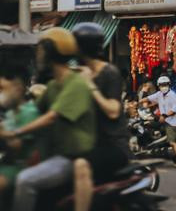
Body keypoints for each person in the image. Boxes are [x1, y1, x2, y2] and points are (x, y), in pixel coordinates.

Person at [8, 28, 97, 211]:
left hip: (72, 157)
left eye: (41, 51)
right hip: (53, 153)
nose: (38, 56)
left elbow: (50, 117)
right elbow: (32, 109)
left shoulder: (76, 84)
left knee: (25, 180)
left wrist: (15, 132)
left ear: (51, 52)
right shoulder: (53, 85)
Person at [73, 19, 131, 211]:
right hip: (89, 141)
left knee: (80, 165)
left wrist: (89, 85)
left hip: (113, 145)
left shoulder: (109, 73)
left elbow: (113, 111)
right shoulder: (80, 73)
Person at [0, 63, 40, 205]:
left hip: (21, 166)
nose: (1, 94)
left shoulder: (30, 112)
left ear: (17, 88)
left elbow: (18, 147)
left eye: (2, 88)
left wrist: (2, 132)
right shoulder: (10, 113)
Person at [150, 75, 176, 166]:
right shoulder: (160, 95)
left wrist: (165, 116)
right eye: (161, 85)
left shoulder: (172, 95)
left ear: (169, 85)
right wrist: (140, 102)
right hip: (167, 121)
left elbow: (175, 109)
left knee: (172, 142)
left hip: (172, 122)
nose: (163, 86)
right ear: (159, 86)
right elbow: (151, 98)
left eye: (165, 84)